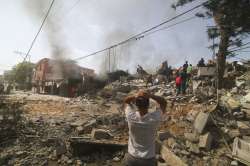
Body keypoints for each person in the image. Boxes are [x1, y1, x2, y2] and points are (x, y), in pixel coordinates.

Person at [123, 90, 167, 166]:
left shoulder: (131, 116)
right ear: (148, 105)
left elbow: (126, 101)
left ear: (136, 105)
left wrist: (136, 95)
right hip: (148, 160)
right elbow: (164, 102)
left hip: (132, 158)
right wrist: (150, 95)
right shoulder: (154, 118)